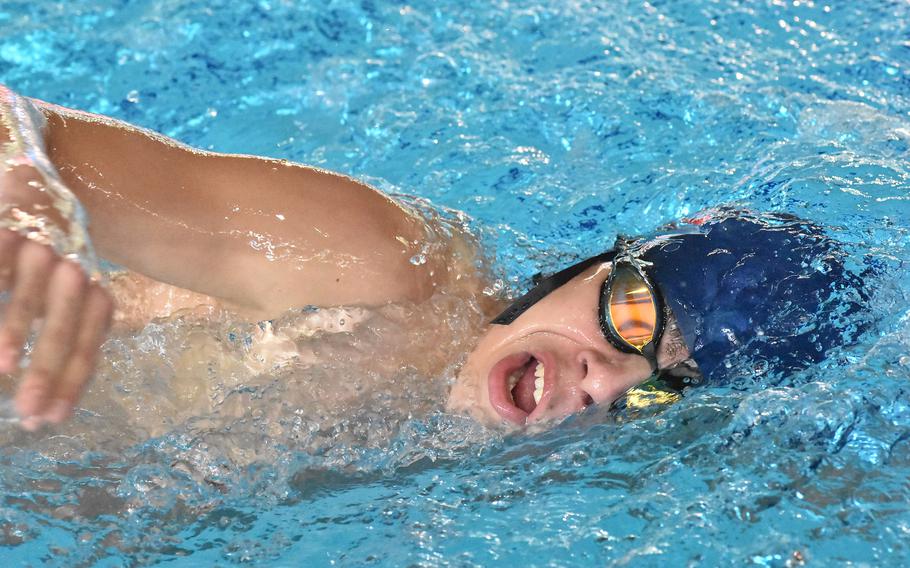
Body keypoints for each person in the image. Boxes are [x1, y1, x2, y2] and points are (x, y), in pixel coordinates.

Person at [0, 85, 869, 432]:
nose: (601, 375)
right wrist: (30, 201)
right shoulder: (386, 268)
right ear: (587, 269)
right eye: (631, 317)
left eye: (653, 388)